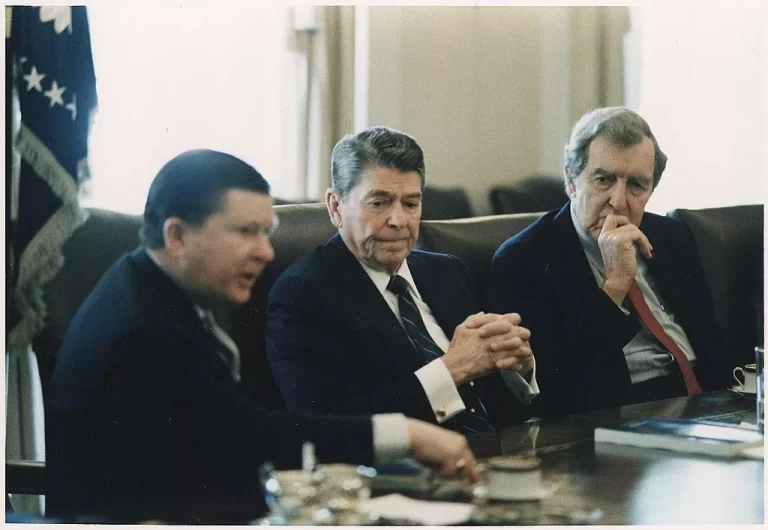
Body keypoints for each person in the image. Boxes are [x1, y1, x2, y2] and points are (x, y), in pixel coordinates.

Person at [47, 149, 479, 522]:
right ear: (176, 235)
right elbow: (249, 437)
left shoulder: (144, 284)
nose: (266, 252)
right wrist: (406, 433)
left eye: (266, 232)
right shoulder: (143, 328)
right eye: (245, 232)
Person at [266, 127, 537, 434]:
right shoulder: (304, 293)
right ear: (335, 206)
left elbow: (494, 410)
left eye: (411, 204)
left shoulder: (447, 272)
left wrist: (516, 369)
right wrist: (453, 368)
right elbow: (330, 425)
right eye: (378, 202)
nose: (398, 221)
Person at [488, 107, 729, 417]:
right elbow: (558, 389)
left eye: (637, 186)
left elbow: (712, 346)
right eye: (604, 180)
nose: (618, 201)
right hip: (619, 416)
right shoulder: (523, 260)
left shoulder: (671, 236)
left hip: (706, 406)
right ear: (571, 181)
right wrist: (614, 286)